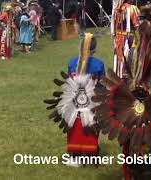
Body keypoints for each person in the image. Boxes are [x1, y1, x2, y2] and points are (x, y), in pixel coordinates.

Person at [93, 4, 151, 179]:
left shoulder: (132, 52)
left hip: (134, 104)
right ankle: (150, 169)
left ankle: (135, 169)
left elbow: (126, 76)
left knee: (136, 133)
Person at [44, 33, 105, 167]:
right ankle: (90, 155)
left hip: (73, 102)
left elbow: (68, 82)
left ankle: (75, 155)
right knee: (90, 125)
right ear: (94, 49)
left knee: (75, 125)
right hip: (92, 102)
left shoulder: (72, 62)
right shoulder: (99, 64)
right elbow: (102, 85)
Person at [111, 0, 139, 79]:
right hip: (129, 39)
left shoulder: (116, 10)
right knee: (130, 59)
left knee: (119, 60)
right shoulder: (132, 9)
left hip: (118, 39)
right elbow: (137, 27)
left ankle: (119, 77)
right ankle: (128, 78)